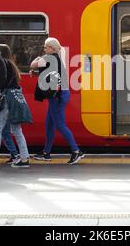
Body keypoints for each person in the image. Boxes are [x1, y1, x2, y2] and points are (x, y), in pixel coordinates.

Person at [29, 37, 85, 165]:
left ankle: (76, 151)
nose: (44, 49)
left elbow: (33, 64)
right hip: (59, 95)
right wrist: (38, 74)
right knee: (49, 124)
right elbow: (51, 75)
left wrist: (38, 58)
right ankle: (46, 153)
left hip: (58, 97)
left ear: (52, 48)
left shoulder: (49, 58)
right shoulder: (56, 60)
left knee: (60, 124)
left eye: (46, 47)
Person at [0, 44, 30, 168]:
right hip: (15, 99)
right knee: (16, 130)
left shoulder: (2, 64)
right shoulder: (12, 65)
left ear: (0, 53)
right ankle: (24, 158)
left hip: (5, 98)